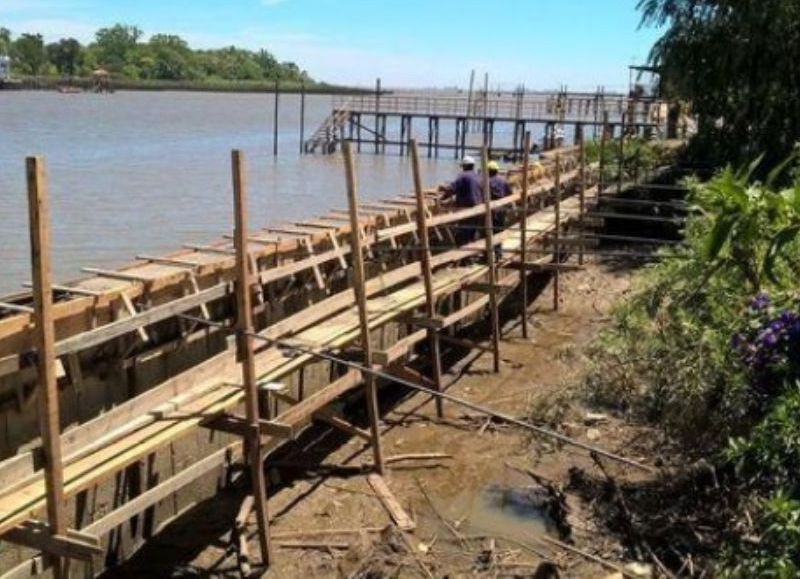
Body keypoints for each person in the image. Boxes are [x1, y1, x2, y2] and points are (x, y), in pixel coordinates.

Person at [439, 155, 484, 247]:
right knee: (472, 232)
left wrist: (442, 195)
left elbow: (452, 189)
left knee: (464, 233)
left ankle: (465, 257)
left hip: (467, 209)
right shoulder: (478, 176)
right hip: (479, 208)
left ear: (465, 166)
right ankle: (471, 254)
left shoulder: (463, 176)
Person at [487, 160, 512, 260]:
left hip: (492, 211)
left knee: (488, 232)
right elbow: (510, 194)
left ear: (488, 171)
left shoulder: (487, 182)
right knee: (499, 231)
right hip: (502, 210)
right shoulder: (503, 181)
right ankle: (498, 254)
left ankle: (488, 255)